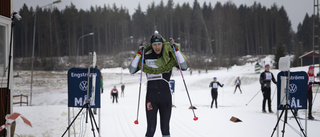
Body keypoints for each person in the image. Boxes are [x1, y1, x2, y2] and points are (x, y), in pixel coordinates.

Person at [129, 31, 187, 137]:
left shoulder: (168, 57)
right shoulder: (146, 58)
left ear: (162, 44)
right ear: (151, 46)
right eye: (154, 44)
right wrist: (139, 53)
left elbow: (184, 66)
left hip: (165, 96)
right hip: (151, 96)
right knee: (151, 128)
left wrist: (176, 50)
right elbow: (132, 70)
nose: (157, 47)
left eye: (159, 44)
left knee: (165, 128)